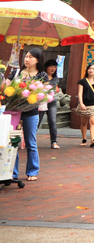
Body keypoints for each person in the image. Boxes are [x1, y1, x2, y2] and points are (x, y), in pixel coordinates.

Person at [13, 48, 48, 181]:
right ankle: (12, 172)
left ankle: (33, 171)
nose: (27, 59)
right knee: (13, 143)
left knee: (31, 142)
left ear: (38, 60)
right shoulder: (16, 73)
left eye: (31, 57)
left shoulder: (42, 75)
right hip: (14, 112)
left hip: (31, 112)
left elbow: (43, 94)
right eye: (26, 56)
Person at [76, 61, 94, 149]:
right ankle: (84, 139)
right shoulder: (82, 81)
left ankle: (93, 139)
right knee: (84, 122)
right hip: (85, 104)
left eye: (93, 69)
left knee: (92, 122)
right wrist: (81, 103)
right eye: (89, 69)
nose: (91, 70)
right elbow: (80, 93)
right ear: (87, 70)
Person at [42, 59, 60, 149]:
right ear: (46, 67)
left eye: (55, 67)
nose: (53, 69)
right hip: (41, 102)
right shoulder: (41, 77)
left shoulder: (56, 79)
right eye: (51, 66)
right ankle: (30, 140)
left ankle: (54, 142)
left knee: (52, 121)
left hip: (52, 102)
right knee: (36, 122)